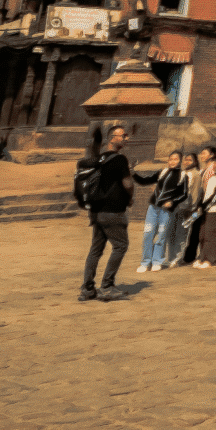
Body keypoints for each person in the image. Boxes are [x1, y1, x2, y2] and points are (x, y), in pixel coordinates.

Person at [76, 125, 134, 303]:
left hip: (96, 211)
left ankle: (87, 288)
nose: (125, 138)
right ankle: (107, 287)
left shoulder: (98, 159)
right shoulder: (119, 159)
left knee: (95, 250)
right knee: (120, 246)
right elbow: (128, 183)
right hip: (113, 211)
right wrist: (130, 198)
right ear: (112, 138)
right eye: (122, 135)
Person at [139, 150, 189, 273]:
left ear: (180, 161)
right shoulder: (162, 172)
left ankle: (157, 261)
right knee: (148, 235)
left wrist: (172, 202)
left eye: (175, 159)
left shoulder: (183, 175)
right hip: (153, 208)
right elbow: (146, 180)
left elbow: (183, 194)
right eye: (170, 159)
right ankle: (145, 262)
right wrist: (133, 174)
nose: (172, 161)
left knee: (161, 236)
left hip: (167, 211)